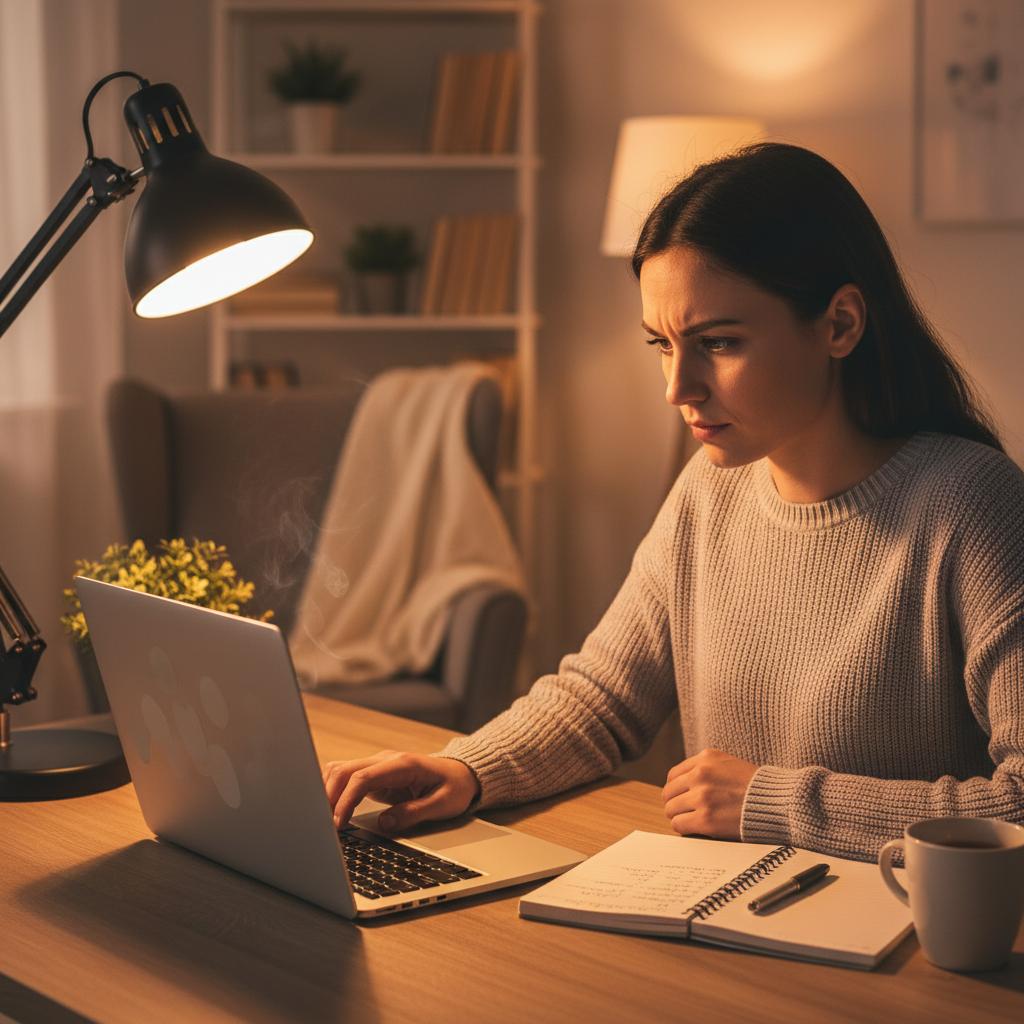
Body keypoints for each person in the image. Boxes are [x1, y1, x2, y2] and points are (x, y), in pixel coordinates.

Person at [322, 143, 1024, 862]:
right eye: (662, 343)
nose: (677, 387)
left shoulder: (975, 508)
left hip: (905, 947)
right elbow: (600, 700)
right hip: (733, 914)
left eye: (718, 342)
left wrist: (773, 803)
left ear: (840, 324)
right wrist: (467, 768)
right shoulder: (708, 491)